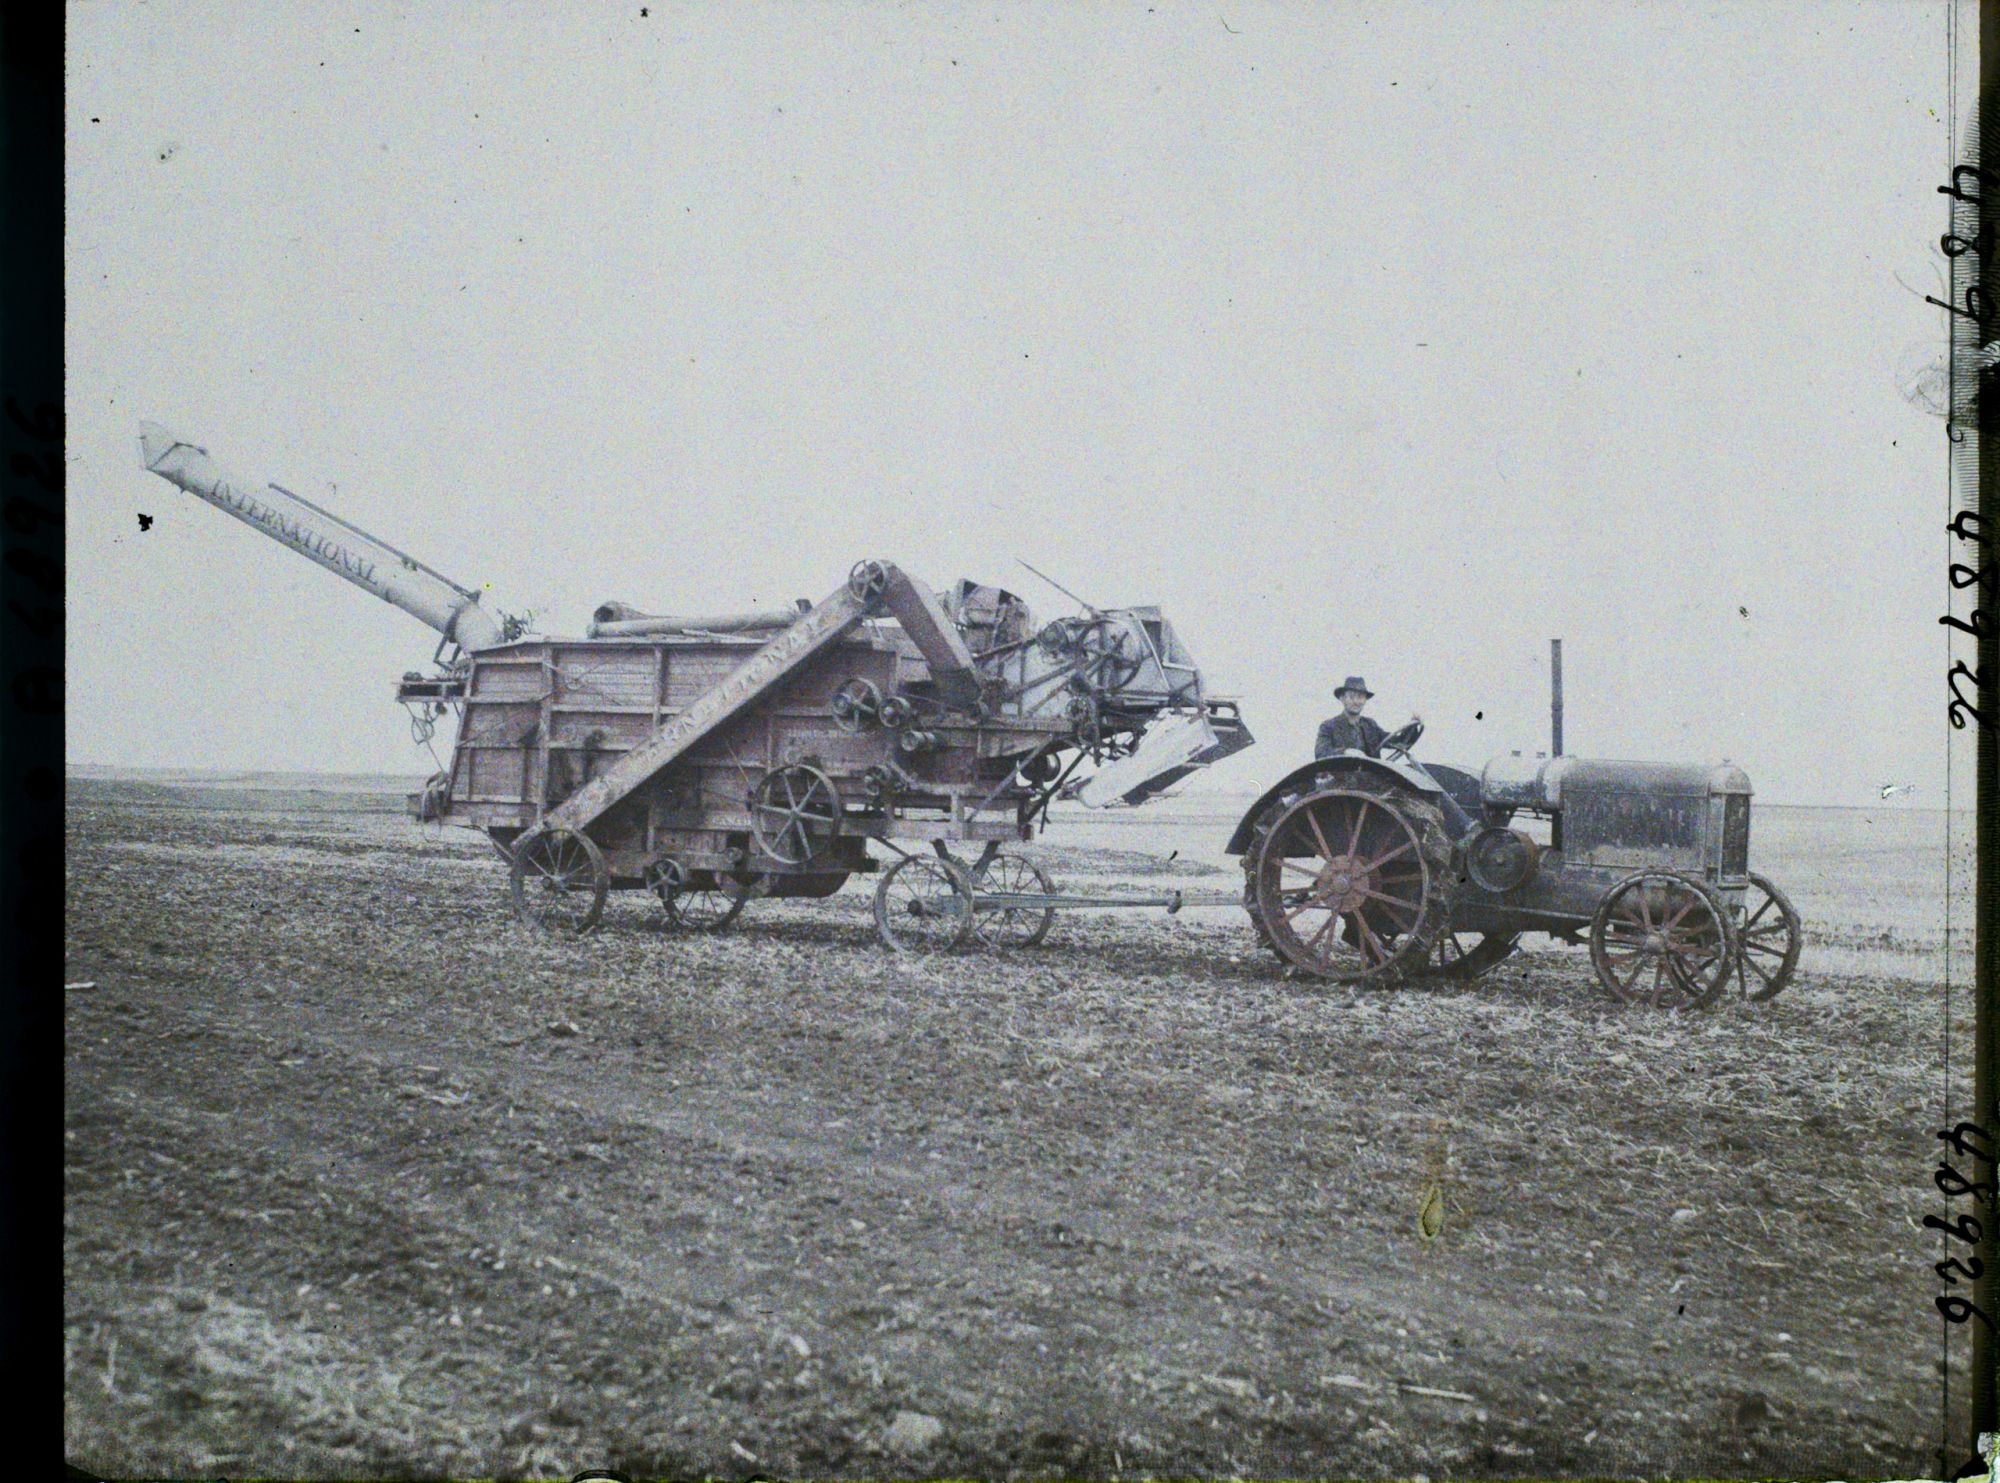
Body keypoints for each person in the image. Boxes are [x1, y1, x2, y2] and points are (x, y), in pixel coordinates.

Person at [1314, 676, 1420, 759]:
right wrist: (1346, 752)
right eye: (1351, 697)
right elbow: (1321, 752)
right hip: (1341, 781)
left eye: (1360, 697)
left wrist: (1412, 727)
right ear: (1342, 699)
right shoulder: (1328, 726)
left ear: (1365, 700)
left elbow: (1398, 742)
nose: (1356, 701)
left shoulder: (1371, 726)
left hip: (1369, 781)